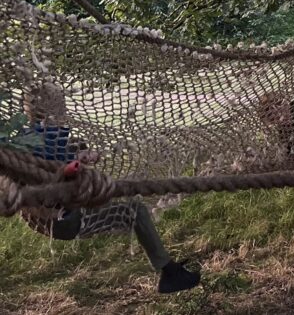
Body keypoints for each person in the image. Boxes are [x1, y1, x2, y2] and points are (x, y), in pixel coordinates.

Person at [21, 125, 201, 294]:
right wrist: (79, 160)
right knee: (135, 210)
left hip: (46, 219)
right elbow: (59, 165)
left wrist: (81, 157)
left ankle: (169, 270)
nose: (63, 108)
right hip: (64, 221)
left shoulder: (26, 142)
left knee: (128, 205)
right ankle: (170, 273)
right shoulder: (50, 141)